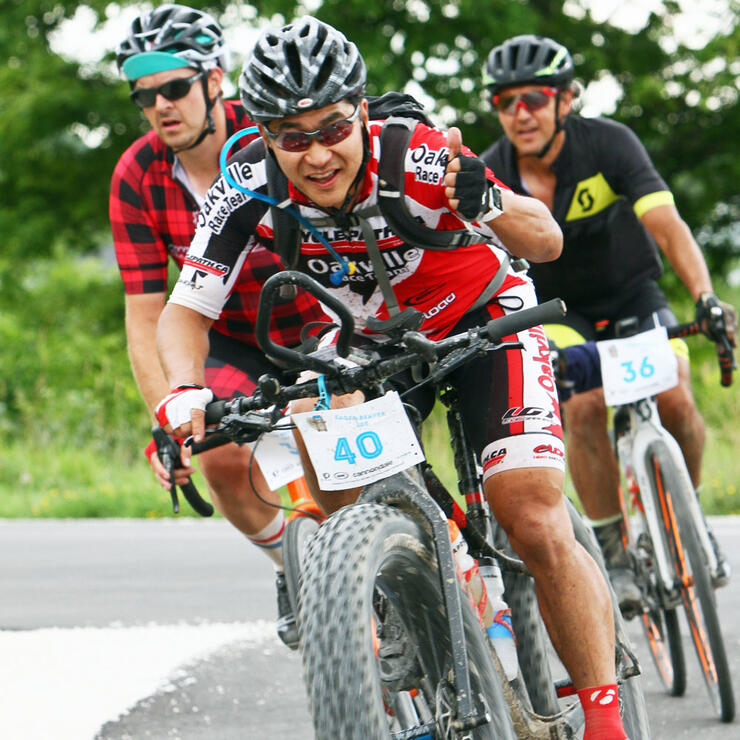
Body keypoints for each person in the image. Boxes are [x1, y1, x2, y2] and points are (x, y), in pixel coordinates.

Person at [155, 16, 632, 738]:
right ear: (262, 132)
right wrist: (184, 390)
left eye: (332, 128)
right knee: (341, 482)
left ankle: (606, 721)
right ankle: (398, 594)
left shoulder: (416, 154)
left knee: (530, 514)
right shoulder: (245, 179)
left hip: (480, 317)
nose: (316, 153)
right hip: (364, 342)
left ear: (362, 113)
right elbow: (185, 309)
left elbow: (547, 238)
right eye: (291, 135)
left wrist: (490, 202)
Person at [479, 34, 737, 613]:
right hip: (559, 313)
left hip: (631, 296)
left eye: (535, 99)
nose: (520, 114)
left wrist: (706, 297)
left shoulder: (610, 144)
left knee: (674, 393)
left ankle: (687, 517)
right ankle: (616, 553)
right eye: (505, 102)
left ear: (566, 100)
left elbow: (667, 225)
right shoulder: (492, 172)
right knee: (585, 407)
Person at [109, 4, 327, 648]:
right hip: (230, 336)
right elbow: (148, 314)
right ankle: (298, 569)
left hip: (321, 321)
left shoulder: (274, 143)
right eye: (144, 95)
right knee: (218, 450)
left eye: (174, 87)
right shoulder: (136, 176)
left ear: (215, 80)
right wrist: (167, 418)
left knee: (344, 457)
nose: (160, 106)